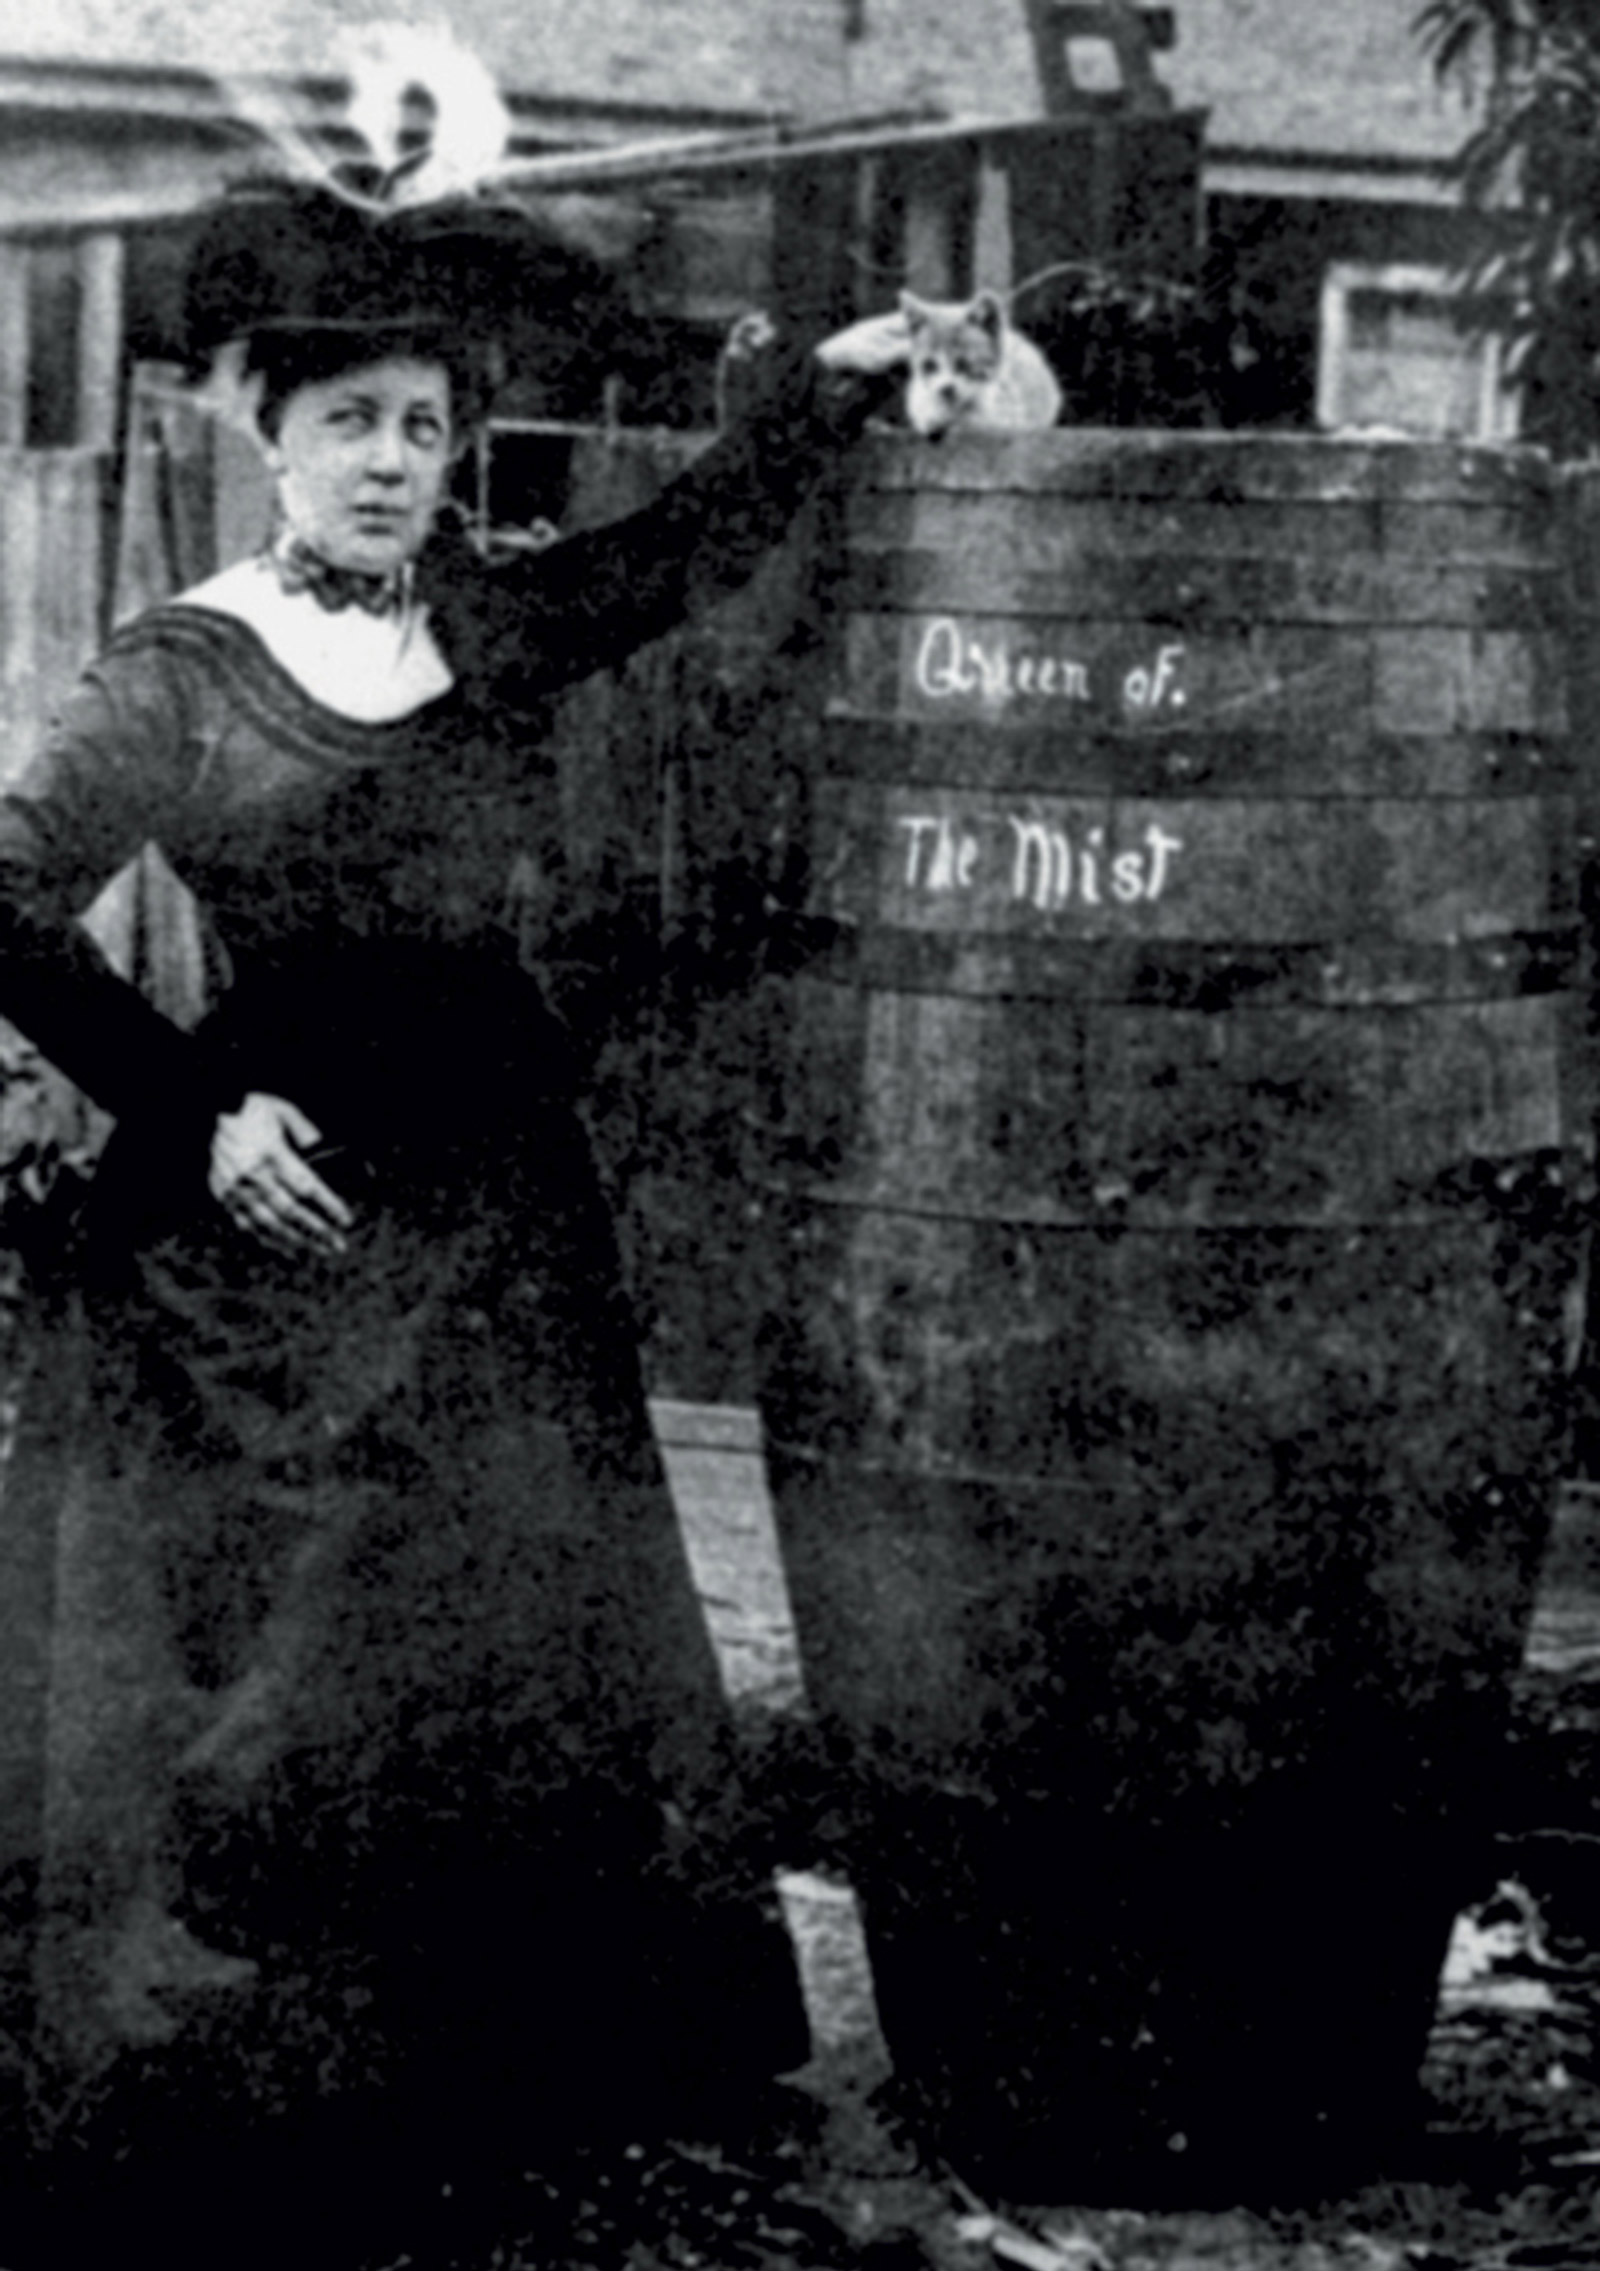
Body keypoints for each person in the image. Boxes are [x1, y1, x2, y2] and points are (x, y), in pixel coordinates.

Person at [0, 172, 906, 2266]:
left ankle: (489, 2061)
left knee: (522, 1611)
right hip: (289, 1215)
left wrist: (826, 398)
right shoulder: (184, 673)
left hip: (501, 1204)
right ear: (265, 430)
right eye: (353, 426)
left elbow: (673, 556)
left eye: (427, 425)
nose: (395, 464)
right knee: (304, 1643)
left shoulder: (486, 626)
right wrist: (196, 1101)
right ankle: (271, 2091)